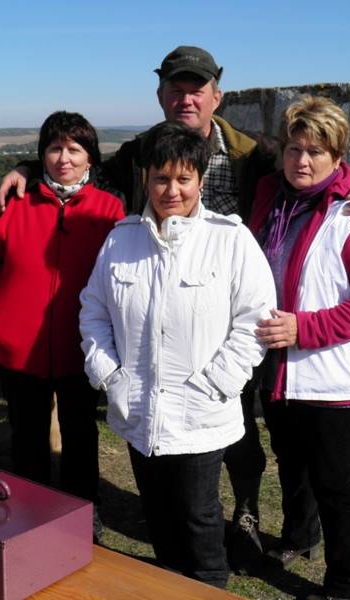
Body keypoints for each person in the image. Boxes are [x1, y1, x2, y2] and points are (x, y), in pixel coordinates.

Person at [0, 45, 350, 572]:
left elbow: (312, 162)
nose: (186, 99)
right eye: (175, 90)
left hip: (233, 317)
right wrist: (26, 166)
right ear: (160, 96)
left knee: (244, 441)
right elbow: (79, 164)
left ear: (216, 96)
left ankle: (247, 513)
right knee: (218, 466)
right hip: (165, 311)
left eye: (196, 90)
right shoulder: (143, 154)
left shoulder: (252, 154)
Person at [79, 122, 276, 588]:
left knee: (198, 519)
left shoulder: (229, 240)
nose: (172, 190)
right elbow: (94, 311)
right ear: (146, 179)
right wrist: (110, 375)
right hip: (138, 411)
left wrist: (216, 385)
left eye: (183, 179)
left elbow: (255, 321)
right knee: (159, 516)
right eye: (161, 178)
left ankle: (209, 588)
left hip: (200, 414)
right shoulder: (121, 240)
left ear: (201, 181)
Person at [250, 96, 350, 600]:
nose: (302, 161)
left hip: (332, 377)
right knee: (292, 465)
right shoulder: (271, 198)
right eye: (294, 148)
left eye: (316, 151)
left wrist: (305, 329)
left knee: (337, 484)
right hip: (280, 369)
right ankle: (299, 536)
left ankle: (348, 585)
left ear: (338, 158)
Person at [0, 112, 125, 541]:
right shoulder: (14, 205)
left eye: (75, 149)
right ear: (42, 155)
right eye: (55, 148)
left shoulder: (111, 210)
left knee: (81, 435)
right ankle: (29, 512)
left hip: (82, 348)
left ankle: (82, 511)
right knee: (28, 437)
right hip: (18, 351)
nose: (64, 158)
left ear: (90, 157)